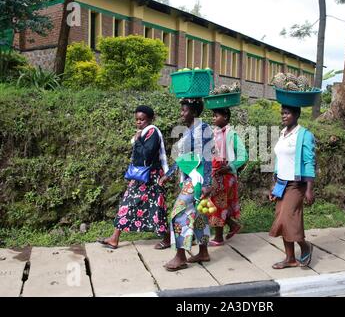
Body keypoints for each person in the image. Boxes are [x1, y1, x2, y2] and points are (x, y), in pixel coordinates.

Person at [98, 105, 170, 250]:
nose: (138, 122)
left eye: (142, 119)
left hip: (152, 177)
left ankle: (168, 237)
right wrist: (138, 140)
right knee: (127, 204)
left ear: (150, 119)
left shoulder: (152, 132)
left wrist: (137, 141)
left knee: (156, 208)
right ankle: (114, 238)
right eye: (137, 119)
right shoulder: (142, 133)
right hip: (140, 177)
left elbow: (147, 154)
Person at [159, 98, 213, 271]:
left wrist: (207, 183)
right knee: (199, 216)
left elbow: (208, 157)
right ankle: (203, 252)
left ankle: (180, 256)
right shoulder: (190, 129)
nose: (181, 113)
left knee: (178, 213)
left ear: (194, 112)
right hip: (190, 178)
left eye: (185, 110)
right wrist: (169, 174)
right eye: (181, 110)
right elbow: (184, 158)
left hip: (197, 180)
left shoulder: (203, 129)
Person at [269, 105, 316, 269]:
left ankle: (304, 246)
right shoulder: (283, 133)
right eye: (282, 113)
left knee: (288, 219)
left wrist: (309, 189)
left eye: (287, 113)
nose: (283, 116)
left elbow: (309, 162)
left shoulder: (304, 135)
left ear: (296, 114)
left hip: (296, 185)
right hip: (281, 183)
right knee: (281, 221)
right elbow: (279, 160)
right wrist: (274, 185)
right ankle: (290, 258)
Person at [208, 108, 248, 246]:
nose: (213, 118)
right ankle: (233, 225)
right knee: (216, 204)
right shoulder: (214, 134)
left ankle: (219, 237)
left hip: (225, 176)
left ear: (225, 117)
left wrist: (230, 167)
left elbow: (243, 156)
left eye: (216, 115)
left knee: (218, 205)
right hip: (215, 174)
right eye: (212, 115)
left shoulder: (232, 135)